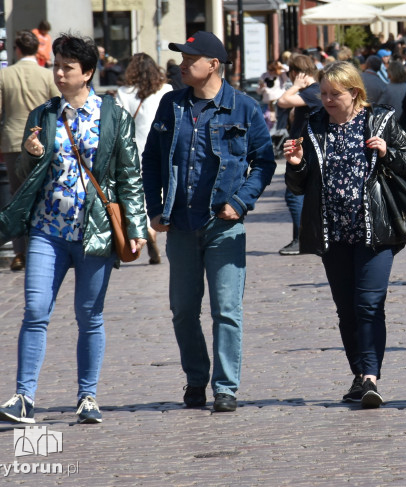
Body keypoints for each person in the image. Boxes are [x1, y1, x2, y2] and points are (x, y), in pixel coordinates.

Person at [0, 34, 148, 425]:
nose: (58, 74)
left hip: (94, 232)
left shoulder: (113, 116)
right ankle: (24, 397)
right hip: (47, 229)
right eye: (56, 65)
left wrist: (138, 225)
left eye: (67, 67)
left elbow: (129, 175)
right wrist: (29, 155)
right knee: (35, 309)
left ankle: (87, 397)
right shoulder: (42, 115)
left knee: (89, 315)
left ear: (88, 72)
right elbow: (25, 180)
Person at [142, 31, 276, 413]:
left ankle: (225, 387)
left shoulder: (243, 107)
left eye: (190, 58)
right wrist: (155, 207)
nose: (182, 64)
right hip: (181, 224)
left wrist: (241, 201)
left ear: (213, 64)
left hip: (224, 225)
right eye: (182, 58)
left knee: (226, 310)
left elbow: (263, 162)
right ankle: (196, 378)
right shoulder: (172, 105)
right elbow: (151, 160)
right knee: (183, 310)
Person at [284, 61, 406, 408]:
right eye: (323, 94)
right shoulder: (313, 126)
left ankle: (371, 376)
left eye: (334, 94)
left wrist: (387, 153)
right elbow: (298, 187)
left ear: (354, 93)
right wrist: (297, 163)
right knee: (346, 309)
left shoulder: (380, 120)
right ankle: (359, 375)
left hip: (375, 230)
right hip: (333, 232)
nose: (326, 100)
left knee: (369, 304)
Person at [0, 30, 58, 271]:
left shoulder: (4, 75)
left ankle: (20, 252)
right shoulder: (46, 75)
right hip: (41, 140)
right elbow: (57, 106)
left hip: (12, 141)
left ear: (17, 49)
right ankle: (42, 247)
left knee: (17, 196)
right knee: (42, 193)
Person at [115, 53, 173, 265]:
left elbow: (119, 124)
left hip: (135, 149)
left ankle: (146, 227)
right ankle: (152, 225)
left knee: (137, 192)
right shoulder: (165, 90)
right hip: (162, 147)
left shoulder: (124, 92)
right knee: (158, 189)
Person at [275, 54, 321, 256]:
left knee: (294, 195)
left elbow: (282, 101)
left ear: (296, 73)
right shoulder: (313, 91)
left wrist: (294, 85)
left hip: (306, 151)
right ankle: (300, 239)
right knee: (300, 194)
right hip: (303, 149)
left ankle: (302, 239)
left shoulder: (312, 91)